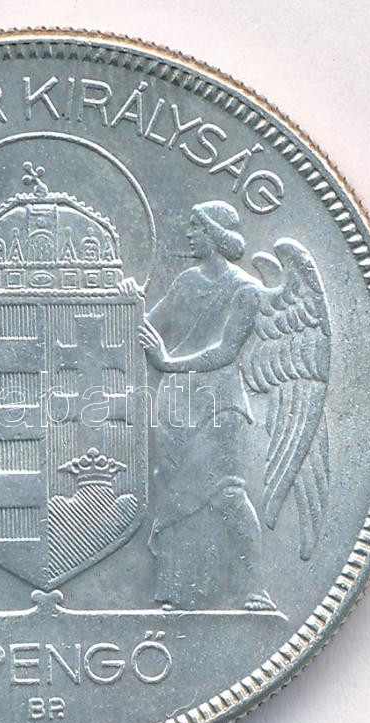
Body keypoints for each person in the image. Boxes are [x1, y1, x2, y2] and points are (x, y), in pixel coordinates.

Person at [139, 200, 274, 611]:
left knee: (227, 493)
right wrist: (122, 299)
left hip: (220, 406)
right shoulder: (186, 282)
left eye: (196, 228)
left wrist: (167, 363)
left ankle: (254, 588)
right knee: (175, 492)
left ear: (214, 235)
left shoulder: (246, 290)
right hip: (177, 405)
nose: (188, 234)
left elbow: (225, 352)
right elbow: (147, 325)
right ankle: (179, 592)